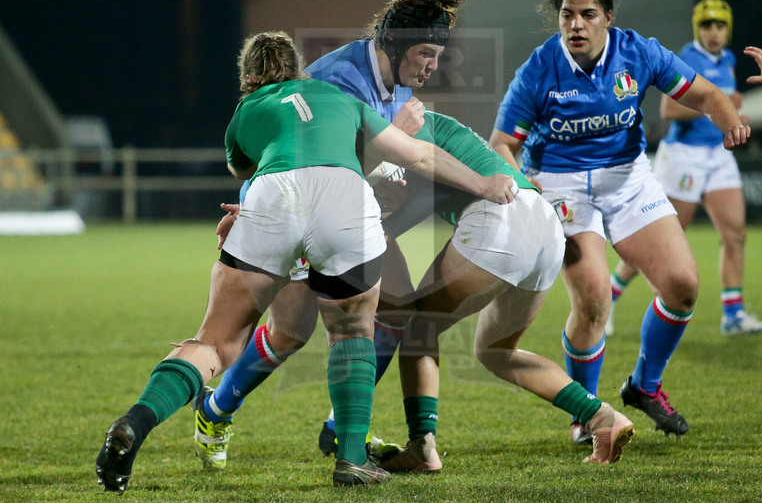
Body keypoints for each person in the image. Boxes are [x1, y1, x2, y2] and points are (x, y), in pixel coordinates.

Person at [94, 30, 516, 493]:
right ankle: (351, 460)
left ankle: (134, 422)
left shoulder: (246, 109)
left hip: (273, 200)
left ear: (249, 77)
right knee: (354, 329)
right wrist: (485, 184)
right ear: (298, 70)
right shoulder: (337, 94)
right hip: (345, 197)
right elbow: (415, 152)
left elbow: (247, 169)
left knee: (216, 342)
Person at [190, 0, 469, 469]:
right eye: (426, 54)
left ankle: (344, 431)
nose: (431, 67)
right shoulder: (341, 79)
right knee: (291, 330)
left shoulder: (396, 79)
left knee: (394, 309)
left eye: (437, 56)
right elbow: (314, 161)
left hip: (343, 213)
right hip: (295, 209)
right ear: (394, 45)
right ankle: (217, 406)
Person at [489, 0, 750, 443]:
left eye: (587, 14)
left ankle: (645, 387)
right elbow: (502, 143)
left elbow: (707, 94)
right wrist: (522, 184)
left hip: (628, 177)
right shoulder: (539, 68)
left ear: (607, 18)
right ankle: (587, 414)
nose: (576, 25)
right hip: (561, 184)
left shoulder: (639, 52)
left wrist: (729, 120)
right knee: (591, 298)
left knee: (683, 286)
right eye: (567, 15)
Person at [378, 109, 635, 472]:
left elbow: (402, 213)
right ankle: (601, 416)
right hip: (544, 223)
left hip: (499, 220)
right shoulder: (436, 123)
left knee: (419, 327)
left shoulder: (406, 132)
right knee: (497, 350)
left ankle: (422, 447)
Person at [608, 0, 762, 336]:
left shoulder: (726, 59)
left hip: (717, 154)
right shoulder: (688, 57)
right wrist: (717, 104)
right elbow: (669, 110)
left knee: (735, 233)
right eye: (707, 25)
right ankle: (608, 297)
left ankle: (733, 315)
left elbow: (722, 104)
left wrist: (732, 115)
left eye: (720, 26)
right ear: (698, 28)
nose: (714, 32)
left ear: (728, 30)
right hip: (684, 155)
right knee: (663, 239)